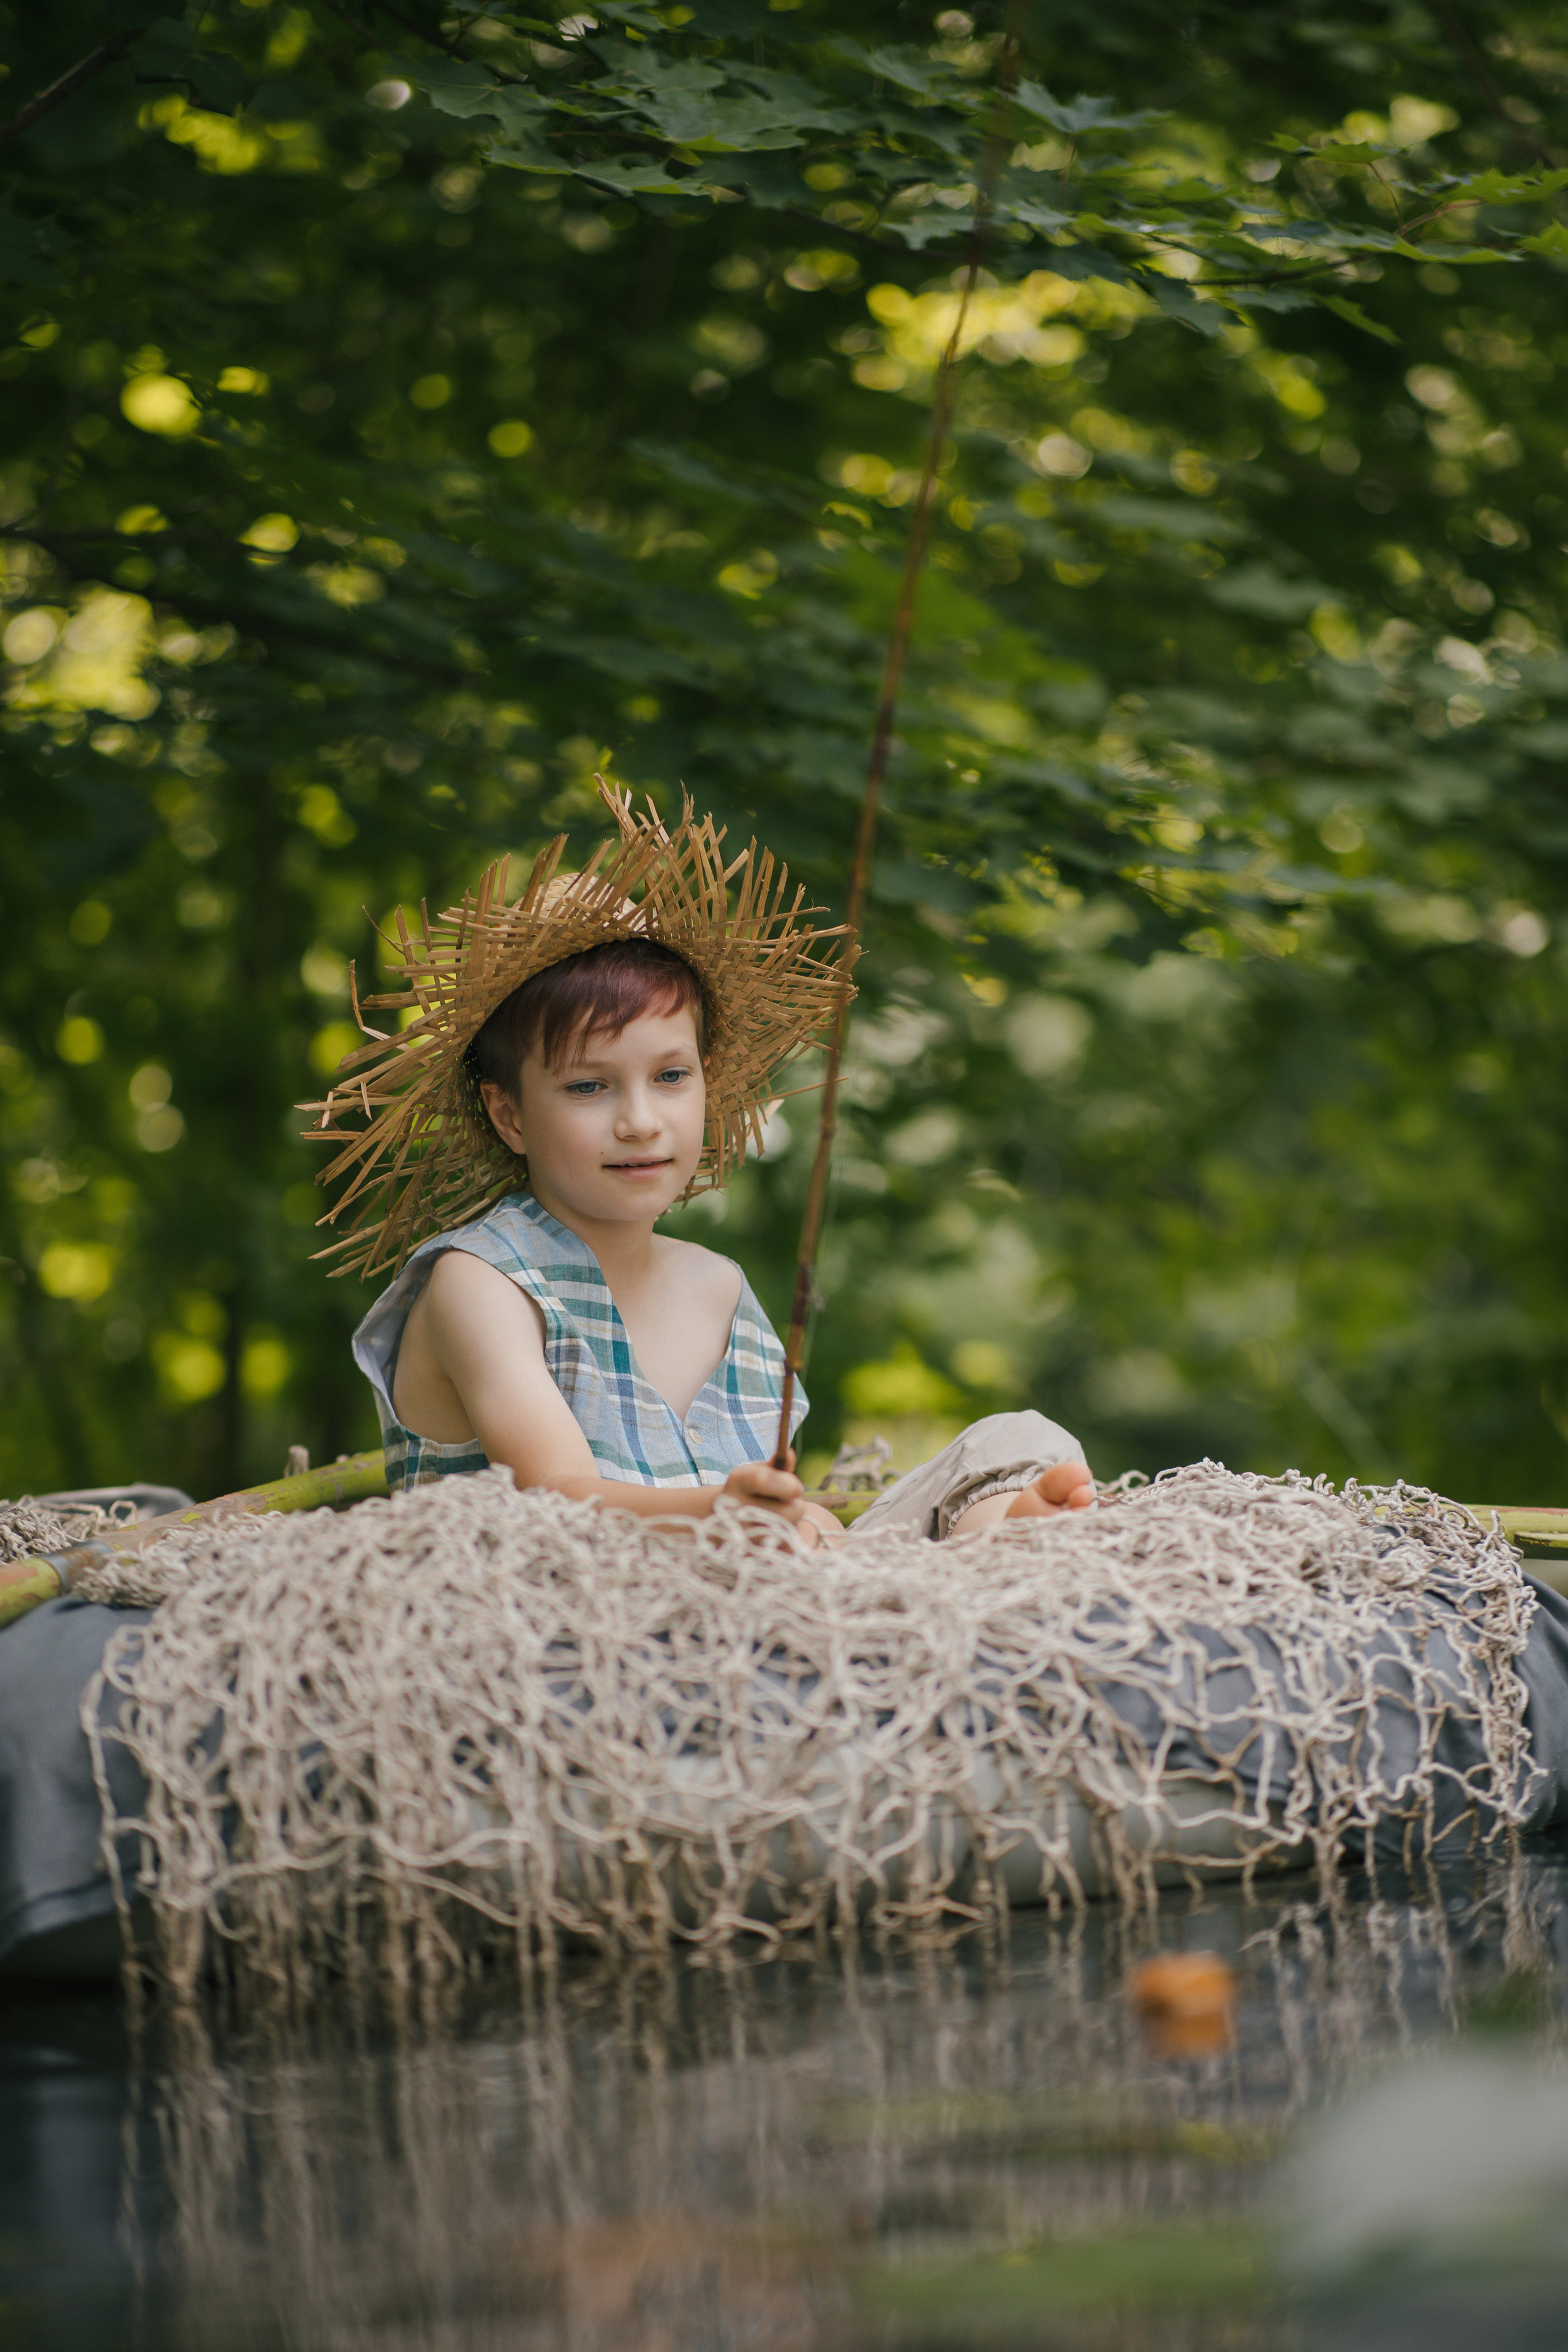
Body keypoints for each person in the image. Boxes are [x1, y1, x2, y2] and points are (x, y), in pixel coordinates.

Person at [314, 785, 1095, 1547]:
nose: (639, 1120)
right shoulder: (481, 1282)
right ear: (509, 1114)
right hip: (562, 1612)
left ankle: (1001, 1530)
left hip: (728, 1587)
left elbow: (758, 1501)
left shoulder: (716, 1285)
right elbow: (556, 1501)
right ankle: (979, 1553)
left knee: (1014, 1436)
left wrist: (785, 1516)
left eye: (670, 1076)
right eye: (588, 1086)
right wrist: (727, 1512)